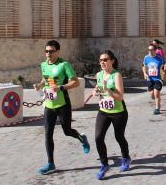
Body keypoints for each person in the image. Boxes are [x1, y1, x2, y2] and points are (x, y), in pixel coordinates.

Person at [35, 40, 90, 175]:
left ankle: (82, 138)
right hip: (49, 105)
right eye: (47, 51)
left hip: (63, 104)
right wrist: (40, 85)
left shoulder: (64, 65)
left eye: (51, 51)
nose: (48, 54)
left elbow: (75, 82)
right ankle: (50, 163)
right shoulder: (43, 65)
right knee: (48, 134)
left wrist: (61, 87)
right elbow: (45, 78)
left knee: (67, 131)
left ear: (58, 52)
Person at [92, 50, 131, 180]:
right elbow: (99, 87)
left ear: (112, 61)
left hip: (118, 112)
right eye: (101, 60)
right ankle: (104, 164)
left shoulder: (116, 75)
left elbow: (120, 97)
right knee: (98, 137)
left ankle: (126, 157)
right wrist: (96, 90)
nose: (102, 62)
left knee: (119, 136)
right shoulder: (99, 74)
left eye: (105, 60)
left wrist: (108, 90)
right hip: (104, 111)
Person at [143, 44, 166, 114]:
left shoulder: (160, 58)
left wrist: (163, 72)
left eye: (151, 50)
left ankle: (157, 108)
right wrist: (145, 73)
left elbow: (164, 66)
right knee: (152, 94)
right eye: (148, 49)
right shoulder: (146, 57)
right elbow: (144, 66)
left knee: (156, 93)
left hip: (158, 79)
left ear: (155, 50)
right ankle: (155, 98)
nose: (149, 51)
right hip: (150, 79)